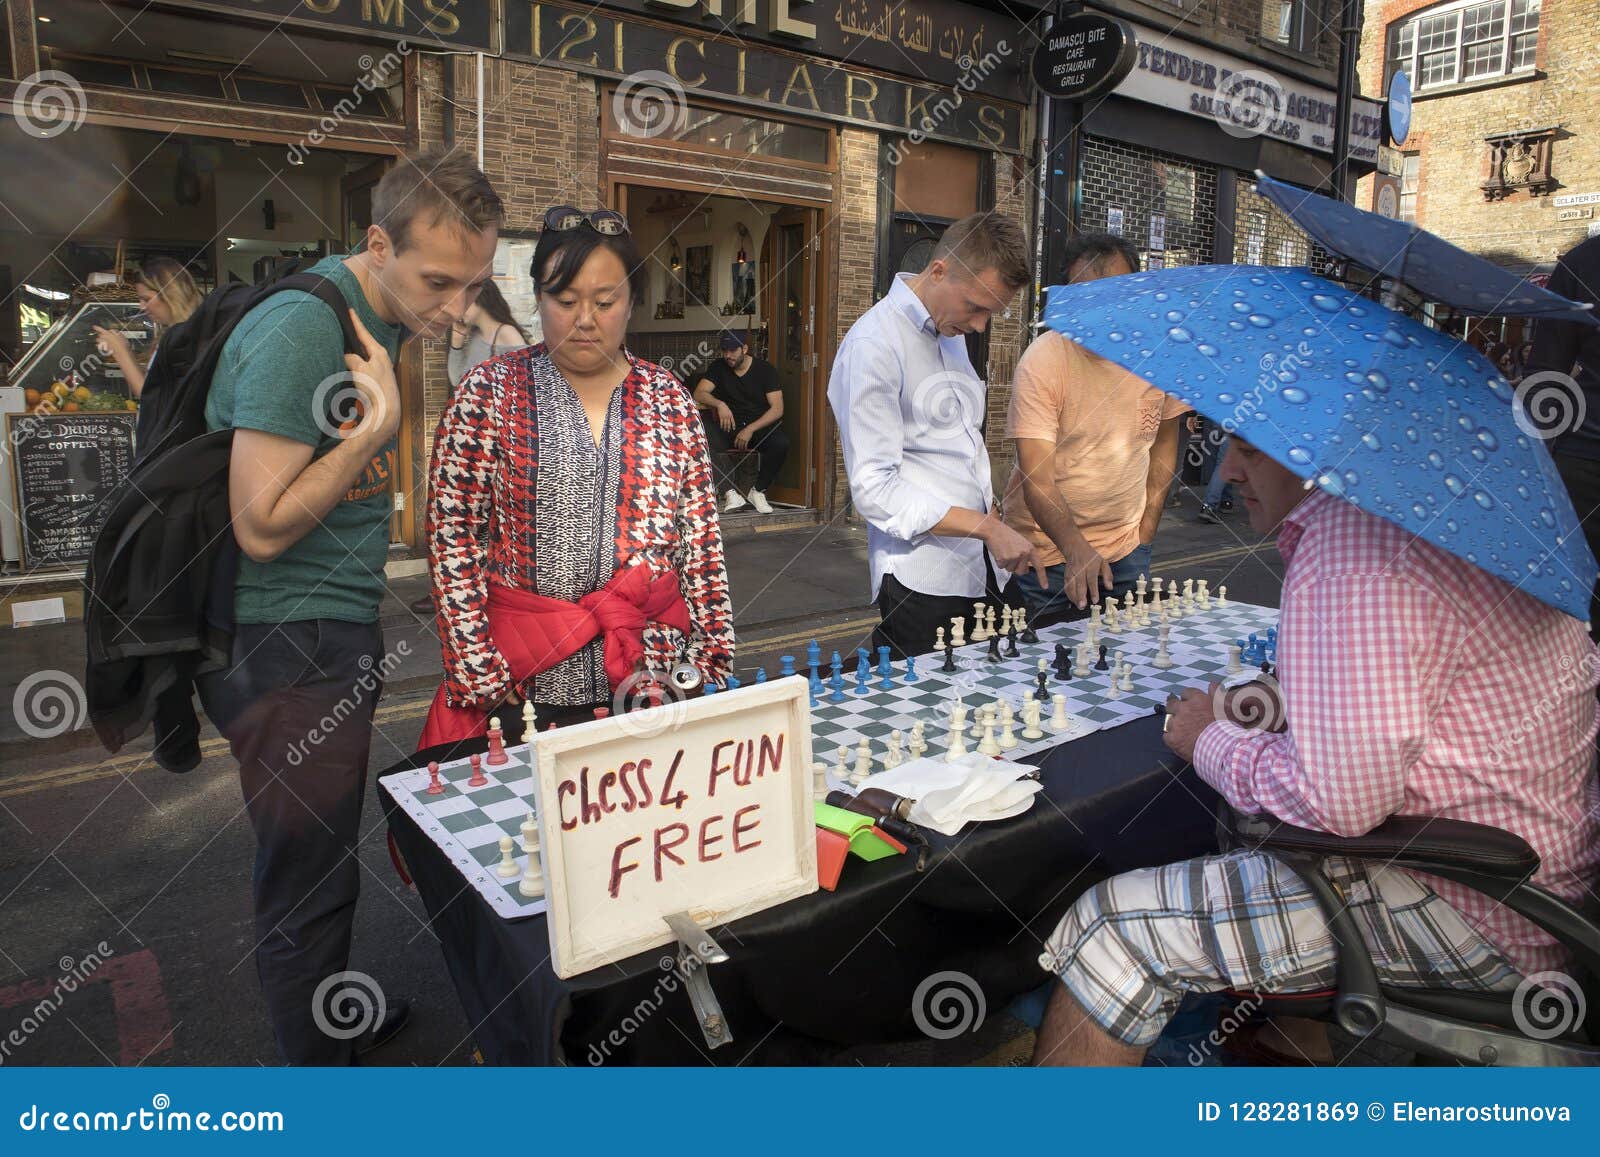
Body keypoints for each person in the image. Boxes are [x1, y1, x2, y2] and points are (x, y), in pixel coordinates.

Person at [1032, 433, 1600, 1065]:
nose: (1227, 470)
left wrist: (1206, 737)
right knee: (1240, 830)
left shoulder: (1352, 551)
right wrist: (1266, 706)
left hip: (1480, 910)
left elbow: (1341, 803)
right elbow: (1412, 687)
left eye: (1250, 449)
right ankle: (1284, 1049)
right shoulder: (1454, 511)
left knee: (1111, 930)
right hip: (1545, 877)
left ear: (1321, 445)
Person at [195, 149, 504, 1065]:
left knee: (323, 859)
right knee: (307, 878)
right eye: (439, 282)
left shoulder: (388, 313)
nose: (455, 307)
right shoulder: (304, 327)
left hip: (325, 629)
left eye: (473, 284)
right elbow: (258, 521)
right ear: (378, 242)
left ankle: (335, 1015)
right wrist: (371, 429)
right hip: (283, 636)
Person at [419, 205, 733, 746]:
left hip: (649, 678)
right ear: (538, 299)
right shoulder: (488, 392)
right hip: (522, 678)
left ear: (632, 301)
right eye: (564, 301)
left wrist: (710, 660)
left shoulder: (669, 400)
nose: (584, 318)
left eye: (605, 301)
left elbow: (699, 543)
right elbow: (454, 540)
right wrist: (481, 671)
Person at [828, 212, 1041, 659]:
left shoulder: (950, 329)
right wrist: (985, 526)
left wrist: (989, 512)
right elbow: (874, 489)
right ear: (939, 271)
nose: (981, 325)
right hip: (924, 583)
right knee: (929, 722)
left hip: (984, 568)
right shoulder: (874, 345)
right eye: (976, 307)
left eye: (992, 313)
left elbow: (951, 446)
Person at [1002, 233, 1190, 624]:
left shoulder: (1163, 356)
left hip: (1128, 550)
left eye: (1115, 294)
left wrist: (1147, 528)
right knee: (1039, 677)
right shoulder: (1043, 361)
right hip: (1046, 556)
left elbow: (1165, 446)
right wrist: (1074, 548)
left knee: (1124, 672)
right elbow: (1037, 477)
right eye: (1087, 295)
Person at [1525, 234, 1600, 638]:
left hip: (1585, 464)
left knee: (1577, 613)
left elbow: (1546, 375)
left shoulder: (1583, 262)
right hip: (1584, 461)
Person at [693, 331, 788, 514]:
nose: (728, 355)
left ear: (744, 348)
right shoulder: (718, 367)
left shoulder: (765, 370)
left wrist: (751, 429)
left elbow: (777, 409)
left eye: (733, 350)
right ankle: (730, 492)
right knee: (699, 440)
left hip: (758, 427)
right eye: (724, 350)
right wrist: (720, 404)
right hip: (729, 426)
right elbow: (699, 393)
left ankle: (758, 491)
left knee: (781, 443)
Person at [92, 257, 204, 397]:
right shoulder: (172, 334)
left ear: (171, 294)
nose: (142, 307)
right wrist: (125, 349)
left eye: (146, 299)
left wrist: (120, 352)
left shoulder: (186, 339)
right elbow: (153, 384)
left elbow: (151, 398)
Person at [447, 279, 534, 389]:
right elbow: (456, 380)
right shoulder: (475, 334)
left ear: (480, 298)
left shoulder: (506, 333)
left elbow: (527, 386)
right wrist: (456, 341)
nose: (457, 310)